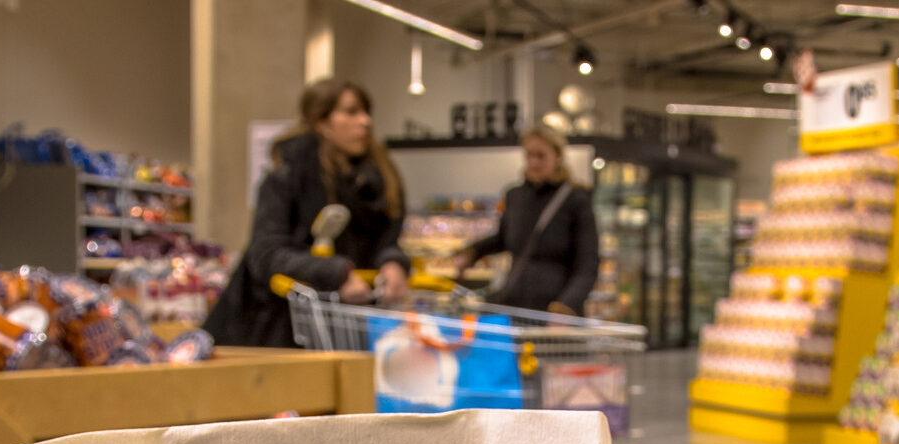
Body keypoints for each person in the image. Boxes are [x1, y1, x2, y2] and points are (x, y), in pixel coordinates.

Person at [204, 78, 413, 348]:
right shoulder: (288, 176)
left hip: (345, 330)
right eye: (351, 112)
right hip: (275, 329)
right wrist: (336, 272)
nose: (365, 121)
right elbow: (266, 253)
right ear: (322, 122)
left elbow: (385, 241)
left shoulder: (380, 179)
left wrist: (392, 262)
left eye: (365, 112)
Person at [450, 125, 601, 316]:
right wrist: (471, 252)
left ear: (558, 156)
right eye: (529, 155)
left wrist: (566, 306)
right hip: (516, 304)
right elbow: (504, 238)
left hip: (554, 310)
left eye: (541, 156)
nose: (534, 162)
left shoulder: (576, 199)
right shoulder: (515, 195)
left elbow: (587, 263)